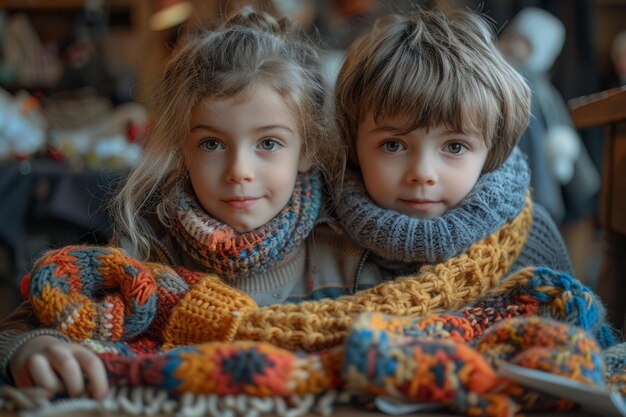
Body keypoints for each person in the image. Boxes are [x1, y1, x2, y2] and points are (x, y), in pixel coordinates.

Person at [0, 6, 363, 400]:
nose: (239, 170)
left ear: (307, 148)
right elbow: (21, 328)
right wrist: (30, 349)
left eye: (268, 143)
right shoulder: (145, 252)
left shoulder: (347, 260)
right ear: (182, 150)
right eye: (212, 143)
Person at [332, 7, 573, 288]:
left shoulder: (532, 241)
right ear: (352, 144)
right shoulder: (325, 241)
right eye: (393, 145)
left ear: (492, 151)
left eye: (455, 147)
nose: (423, 173)